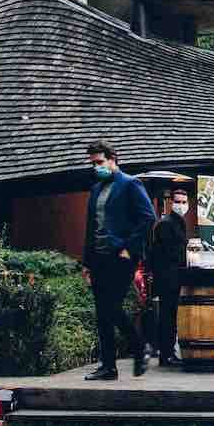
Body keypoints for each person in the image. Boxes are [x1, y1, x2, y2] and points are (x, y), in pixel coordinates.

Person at [81, 142, 156, 381]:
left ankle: (140, 347)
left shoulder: (130, 184)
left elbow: (147, 218)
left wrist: (128, 247)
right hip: (99, 258)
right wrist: (86, 263)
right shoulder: (96, 189)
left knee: (111, 308)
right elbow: (90, 228)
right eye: (92, 163)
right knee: (102, 314)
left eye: (99, 162)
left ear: (113, 159)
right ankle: (108, 367)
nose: (96, 167)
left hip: (121, 257)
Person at [147, 189, 189, 368]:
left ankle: (169, 352)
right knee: (167, 316)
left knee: (170, 315)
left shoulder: (179, 222)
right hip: (167, 276)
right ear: (171, 203)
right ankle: (166, 354)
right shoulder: (166, 224)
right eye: (178, 202)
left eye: (184, 202)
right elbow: (163, 253)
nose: (181, 205)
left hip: (174, 275)